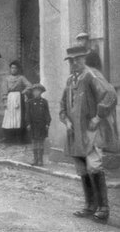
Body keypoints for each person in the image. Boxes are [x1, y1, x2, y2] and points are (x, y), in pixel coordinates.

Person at [60, 45, 119, 223]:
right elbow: (62, 104)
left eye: (78, 59)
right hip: (74, 133)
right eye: (71, 60)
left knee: (94, 166)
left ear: (84, 59)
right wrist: (66, 120)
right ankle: (89, 205)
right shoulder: (70, 80)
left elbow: (110, 94)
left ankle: (103, 208)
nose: (74, 62)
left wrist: (98, 117)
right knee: (82, 169)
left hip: (90, 131)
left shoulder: (91, 75)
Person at [1, 60, 32, 143]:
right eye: (12, 68)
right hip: (10, 99)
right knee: (9, 118)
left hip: (19, 99)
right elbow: (4, 90)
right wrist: (5, 100)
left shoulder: (21, 78)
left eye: (15, 68)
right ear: (10, 69)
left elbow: (29, 85)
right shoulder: (7, 79)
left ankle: (19, 138)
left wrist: (23, 92)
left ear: (18, 69)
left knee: (19, 118)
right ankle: (9, 138)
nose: (13, 69)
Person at [25, 84, 51, 166]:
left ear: (41, 92)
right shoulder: (30, 102)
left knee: (41, 142)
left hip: (42, 125)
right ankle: (35, 159)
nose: (36, 93)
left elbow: (47, 114)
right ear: (32, 92)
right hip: (33, 125)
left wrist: (47, 123)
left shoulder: (44, 102)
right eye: (34, 91)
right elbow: (27, 114)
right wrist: (28, 123)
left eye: (38, 91)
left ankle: (40, 160)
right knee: (34, 142)